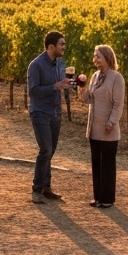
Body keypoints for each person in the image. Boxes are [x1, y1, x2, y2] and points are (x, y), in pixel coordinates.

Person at [27, 31, 72, 204]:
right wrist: (55, 86)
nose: (64, 47)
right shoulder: (36, 65)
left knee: (50, 150)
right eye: (61, 44)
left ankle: (46, 188)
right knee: (45, 149)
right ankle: (37, 189)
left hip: (55, 112)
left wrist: (72, 83)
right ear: (51, 46)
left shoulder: (61, 64)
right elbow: (33, 91)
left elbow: (62, 84)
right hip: (40, 112)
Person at [78, 44, 126, 208]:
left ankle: (107, 199)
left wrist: (111, 122)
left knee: (107, 164)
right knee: (96, 163)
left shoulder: (116, 78)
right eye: (94, 56)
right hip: (94, 127)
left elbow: (118, 104)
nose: (95, 59)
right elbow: (87, 100)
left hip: (108, 127)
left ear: (108, 57)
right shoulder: (95, 76)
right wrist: (82, 87)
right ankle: (97, 197)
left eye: (98, 56)